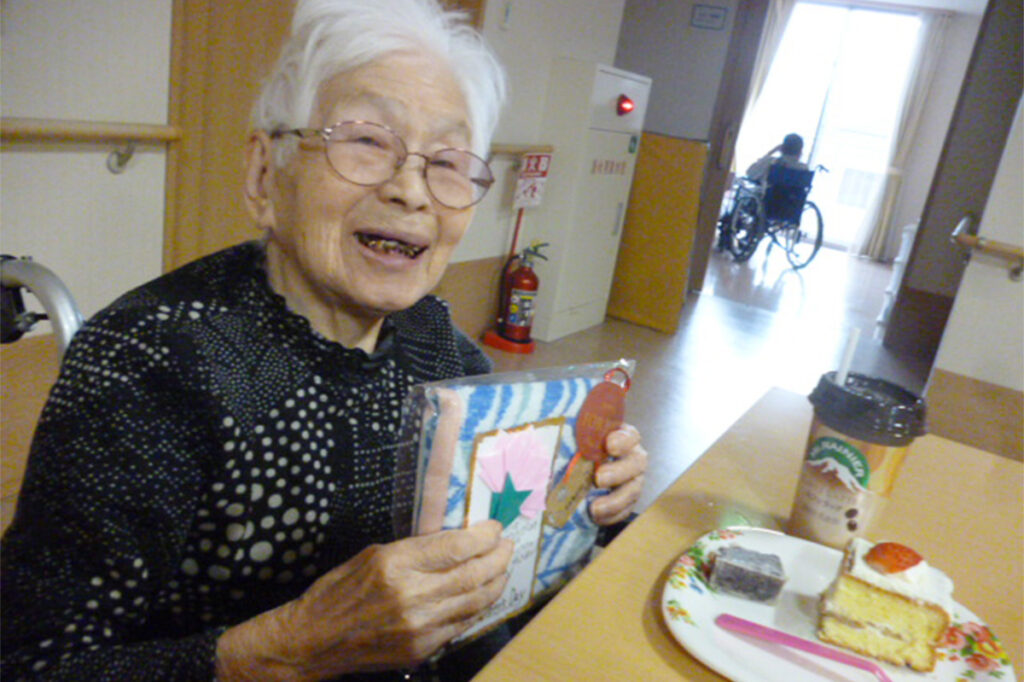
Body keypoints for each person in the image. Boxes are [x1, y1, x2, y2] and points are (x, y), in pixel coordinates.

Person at [0, 2, 648, 680]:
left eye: (450, 161)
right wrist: (295, 642)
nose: (411, 190)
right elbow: (32, 666)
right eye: (367, 140)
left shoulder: (443, 346)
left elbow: (506, 548)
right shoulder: (147, 363)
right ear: (263, 174)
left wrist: (589, 497)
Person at [745, 132, 809, 184]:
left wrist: (770, 152)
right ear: (800, 151)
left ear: (782, 148)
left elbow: (750, 173)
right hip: (792, 199)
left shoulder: (771, 162)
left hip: (766, 198)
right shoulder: (804, 168)